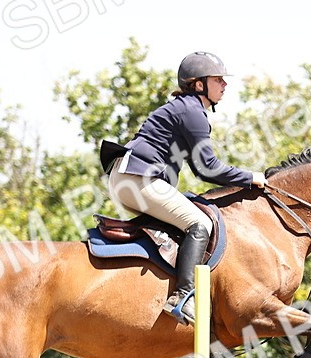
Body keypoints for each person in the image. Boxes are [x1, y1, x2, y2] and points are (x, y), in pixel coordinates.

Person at [101, 51, 267, 324]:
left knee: (186, 211)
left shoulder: (184, 108)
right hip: (137, 178)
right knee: (199, 224)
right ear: (198, 83)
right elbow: (207, 168)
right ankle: (183, 295)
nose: (225, 85)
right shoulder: (192, 111)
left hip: (129, 176)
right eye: (218, 79)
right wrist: (250, 177)